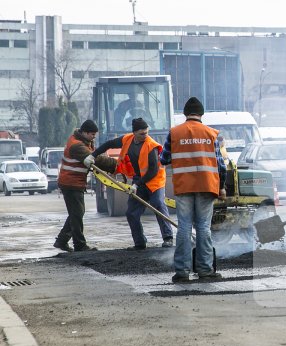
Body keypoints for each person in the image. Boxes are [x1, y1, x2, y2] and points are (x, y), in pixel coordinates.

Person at [160, 97, 227, 283]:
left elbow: (163, 159)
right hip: (207, 186)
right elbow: (221, 165)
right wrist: (222, 187)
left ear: (185, 113)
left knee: (184, 227)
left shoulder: (174, 133)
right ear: (202, 114)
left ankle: (182, 271)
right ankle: (205, 270)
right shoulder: (211, 133)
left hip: (184, 186)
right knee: (204, 227)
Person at [93, 117, 174, 250]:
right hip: (139, 181)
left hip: (155, 181)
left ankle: (168, 238)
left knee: (158, 204)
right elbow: (108, 144)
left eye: (147, 132)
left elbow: (153, 170)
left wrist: (137, 184)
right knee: (131, 213)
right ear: (134, 133)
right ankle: (140, 242)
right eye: (142, 133)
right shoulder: (127, 139)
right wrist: (93, 155)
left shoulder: (151, 145)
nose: (145, 135)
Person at [54, 120, 101, 252]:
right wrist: (114, 165)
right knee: (77, 214)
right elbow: (95, 159)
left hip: (74, 182)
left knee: (76, 213)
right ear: (85, 132)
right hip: (70, 183)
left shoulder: (82, 141)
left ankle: (62, 240)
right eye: (92, 134)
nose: (94, 137)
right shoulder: (77, 145)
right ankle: (79, 245)